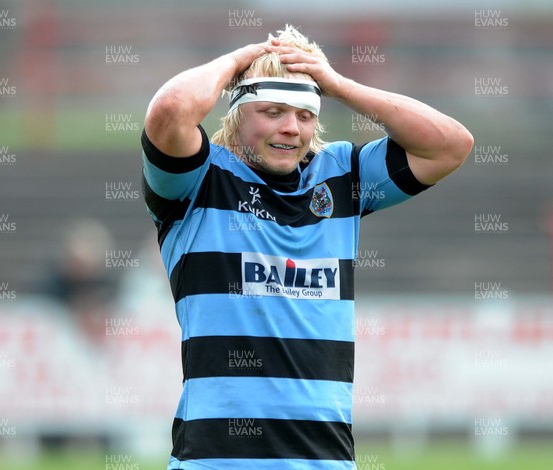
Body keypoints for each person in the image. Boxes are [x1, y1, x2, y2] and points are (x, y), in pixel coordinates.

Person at [140, 25, 473, 470]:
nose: (291, 128)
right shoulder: (197, 181)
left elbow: (451, 146)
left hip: (326, 462)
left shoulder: (342, 176)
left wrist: (340, 87)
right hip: (215, 461)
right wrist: (238, 61)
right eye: (273, 111)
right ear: (237, 112)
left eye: (304, 114)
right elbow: (171, 109)